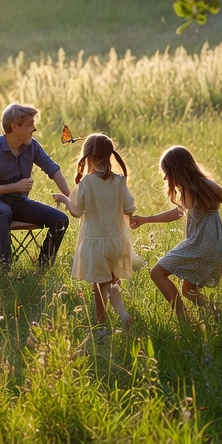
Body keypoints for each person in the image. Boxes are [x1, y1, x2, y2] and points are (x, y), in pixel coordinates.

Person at [130, 145, 222, 319]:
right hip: (216, 248)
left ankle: (184, 321)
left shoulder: (203, 187)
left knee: (157, 273)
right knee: (189, 291)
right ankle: (220, 315)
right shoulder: (197, 187)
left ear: (176, 170)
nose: (165, 178)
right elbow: (179, 212)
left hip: (201, 246)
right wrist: (146, 220)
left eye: (166, 173)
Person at [53, 134, 137, 336]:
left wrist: (64, 199)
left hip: (95, 243)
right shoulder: (119, 180)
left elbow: (77, 211)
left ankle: (102, 324)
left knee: (99, 287)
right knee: (111, 281)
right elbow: (129, 208)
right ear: (110, 155)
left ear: (87, 156)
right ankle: (121, 314)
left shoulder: (87, 182)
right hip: (117, 241)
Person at [0, 104, 71, 273]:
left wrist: (71, 198)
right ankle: (5, 268)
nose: (34, 128)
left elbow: (53, 169)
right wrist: (14, 187)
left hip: (19, 202)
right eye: (30, 124)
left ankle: (43, 267)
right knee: (3, 212)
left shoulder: (32, 146)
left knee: (60, 220)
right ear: (15, 127)